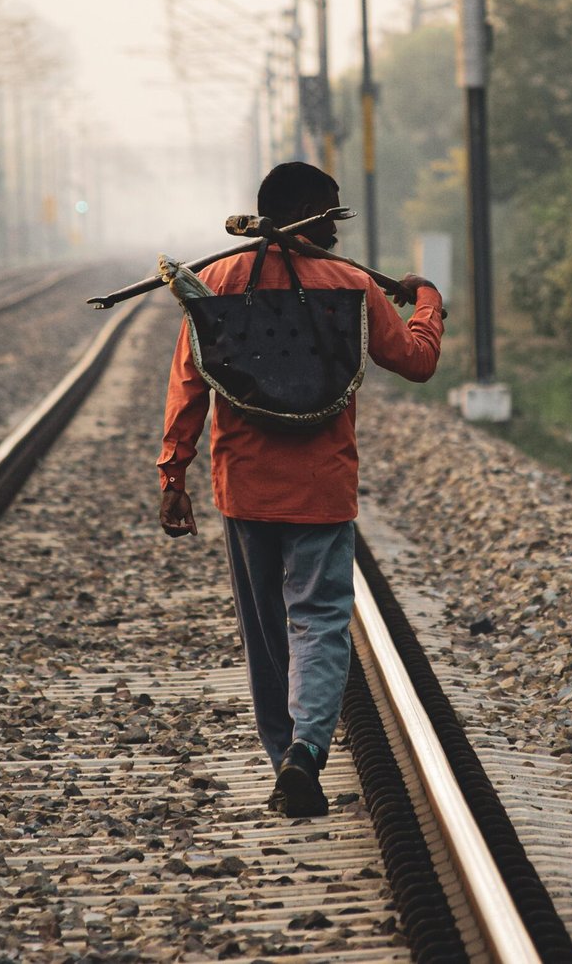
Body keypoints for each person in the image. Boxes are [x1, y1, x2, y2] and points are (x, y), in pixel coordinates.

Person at [156, 161, 444, 817]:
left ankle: (283, 750)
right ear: (311, 218)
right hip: (321, 486)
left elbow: (188, 381)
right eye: (332, 220)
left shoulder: (219, 283)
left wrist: (174, 474)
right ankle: (306, 753)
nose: (340, 238)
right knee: (318, 620)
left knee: (265, 632)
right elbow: (417, 360)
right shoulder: (347, 285)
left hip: (245, 487)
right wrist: (426, 299)